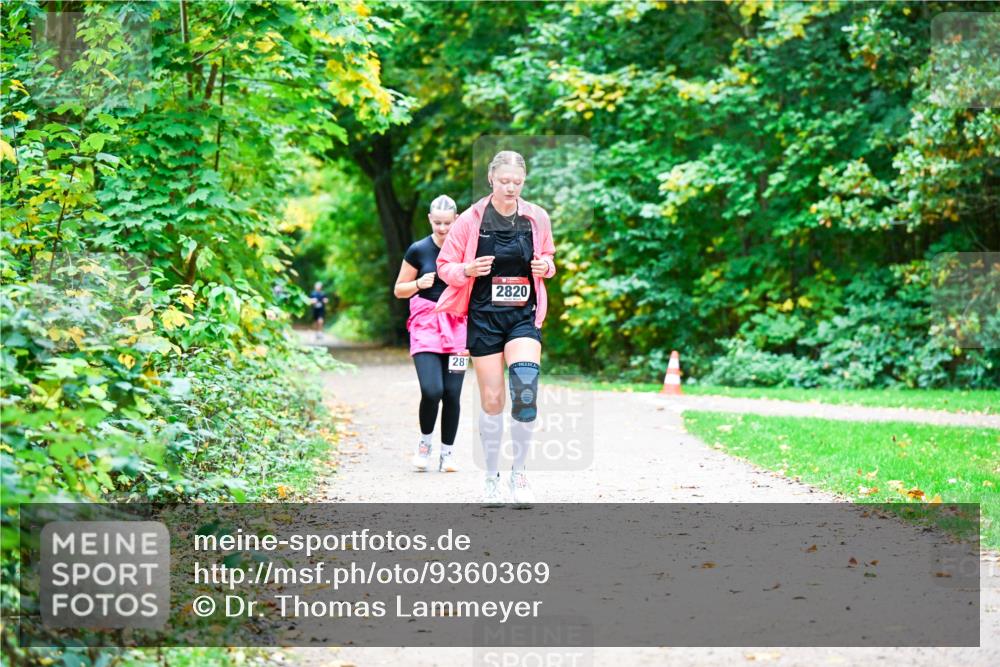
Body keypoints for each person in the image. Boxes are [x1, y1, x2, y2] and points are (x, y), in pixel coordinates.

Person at [435, 151, 556, 506]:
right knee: (492, 400)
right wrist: (467, 270)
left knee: (525, 388)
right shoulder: (470, 219)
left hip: (522, 316)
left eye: (517, 182)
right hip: (484, 316)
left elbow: (549, 256)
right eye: (504, 181)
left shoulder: (536, 218)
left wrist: (544, 267)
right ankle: (492, 476)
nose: (511, 188)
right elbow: (446, 266)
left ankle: (519, 474)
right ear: (491, 179)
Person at [394, 195, 468, 472]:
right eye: (437, 223)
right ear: (429, 219)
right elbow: (399, 290)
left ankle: (447, 453)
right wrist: (418, 283)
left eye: (447, 223)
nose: (442, 228)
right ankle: (425, 444)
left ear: (456, 219)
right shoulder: (418, 250)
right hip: (425, 326)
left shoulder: (465, 250)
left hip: (459, 328)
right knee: (432, 389)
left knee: (452, 394)